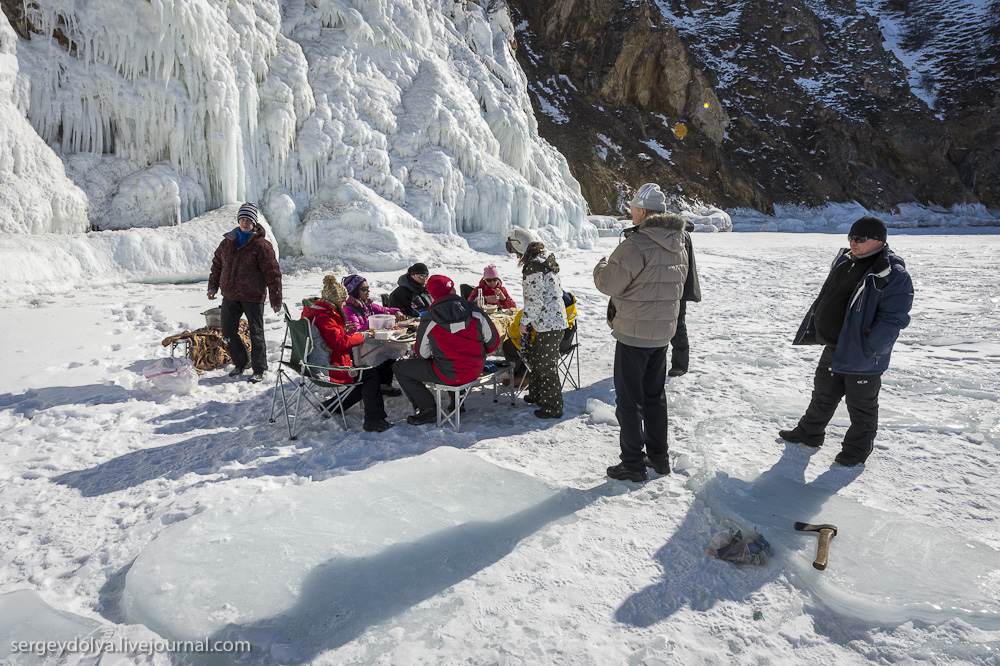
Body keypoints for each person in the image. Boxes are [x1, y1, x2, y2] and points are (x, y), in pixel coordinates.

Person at [779, 216, 913, 467]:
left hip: (863, 353)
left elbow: (894, 318)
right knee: (823, 394)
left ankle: (856, 450)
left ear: (879, 241)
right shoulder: (847, 262)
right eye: (851, 237)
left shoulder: (892, 273)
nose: (854, 242)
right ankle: (810, 433)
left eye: (860, 238)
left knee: (861, 406)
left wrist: (871, 346)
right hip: (835, 345)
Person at [594, 183, 688, 481]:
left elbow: (609, 284)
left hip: (634, 333)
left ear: (643, 212)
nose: (630, 212)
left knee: (629, 401)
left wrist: (601, 266)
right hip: (662, 333)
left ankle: (632, 463)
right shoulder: (679, 242)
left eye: (633, 208)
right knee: (654, 397)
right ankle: (659, 458)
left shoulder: (636, 245)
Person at [393, 275, 500, 425]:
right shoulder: (474, 310)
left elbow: (422, 354)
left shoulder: (430, 318)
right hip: (475, 368)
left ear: (432, 294)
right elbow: (493, 342)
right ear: (453, 289)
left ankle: (428, 409)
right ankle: (457, 402)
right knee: (449, 358)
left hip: (448, 372)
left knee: (400, 367)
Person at [301, 276, 393, 432]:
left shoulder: (319, 312)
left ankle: (332, 405)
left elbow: (330, 338)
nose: (344, 304)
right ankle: (374, 420)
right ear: (335, 301)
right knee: (370, 374)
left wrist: (343, 330)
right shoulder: (326, 317)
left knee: (365, 375)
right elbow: (340, 344)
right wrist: (362, 336)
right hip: (326, 367)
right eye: (343, 301)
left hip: (317, 362)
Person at [207, 202, 282, 383]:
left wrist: (275, 298)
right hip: (230, 295)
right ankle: (242, 362)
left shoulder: (262, 246)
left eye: (249, 219)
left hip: (253, 296)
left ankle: (259, 369)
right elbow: (217, 265)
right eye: (242, 218)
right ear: (238, 220)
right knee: (227, 332)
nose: (245, 222)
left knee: (256, 333)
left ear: (254, 222)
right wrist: (212, 286)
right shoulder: (227, 243)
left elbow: (273, 273)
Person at [506, 228, 569, 419]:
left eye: (515, 252)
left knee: (546, 366)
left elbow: (535, 302)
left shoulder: (534, 268)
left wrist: (524, 323)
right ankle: (537, 394)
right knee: (536, 359)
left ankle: (552, 407)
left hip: (550, 324)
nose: (516, 256)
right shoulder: (543, 263)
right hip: (549, 322)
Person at [341, 274, 405, 397]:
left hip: (369, 343)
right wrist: (374, 324)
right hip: (355, 349)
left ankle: (383, 383)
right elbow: (356, 332)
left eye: (368, 288)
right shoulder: (349, 309)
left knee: (392, 347)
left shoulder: (366, 304)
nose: (368, 291)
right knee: (390, 348)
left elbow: (383, 310)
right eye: (364, 289)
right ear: (355, 291)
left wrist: (395, 311)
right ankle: (377, 383)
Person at [503, 291, 577, 384]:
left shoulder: (537, 306)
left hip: (543, 348)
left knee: (509, 344)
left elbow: (513, 333)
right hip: (563, 346)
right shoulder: (568, 304)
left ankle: (523, 377)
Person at [668, 219, 702, 376]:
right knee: (675, 326)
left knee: (677, 326)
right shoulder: (682, 234)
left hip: (675, 288)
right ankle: (679, 365)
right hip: (673, 287)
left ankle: (680, 365)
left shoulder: (680, 236)